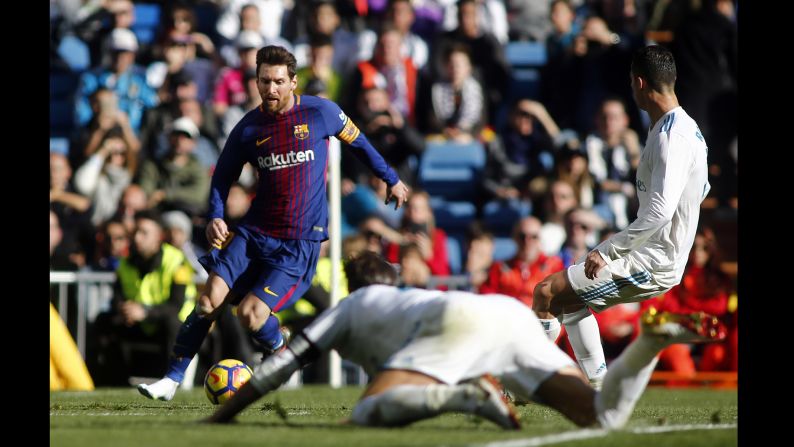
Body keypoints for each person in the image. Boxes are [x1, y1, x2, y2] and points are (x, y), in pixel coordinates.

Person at [139, 45, 409, 401]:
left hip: (298, 241)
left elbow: (359, 143)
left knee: (251, 314)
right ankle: (171, 381)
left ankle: (280, 350)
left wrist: (390, 178)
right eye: (265, 81)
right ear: (256, 81)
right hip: (254, 232)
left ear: (294, 82)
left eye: (279, 81)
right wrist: (216, 216)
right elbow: (222, 176)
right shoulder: (249, 128)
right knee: (209, 301)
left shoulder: (321, 112)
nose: (271, 89)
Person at [202, 251, 725, 429]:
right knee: (604, 418)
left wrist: (221, 417)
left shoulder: (352, 305)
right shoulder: (405, 297)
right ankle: (650, 343)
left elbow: (280, 365)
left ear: (358, 286)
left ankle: (463, 396)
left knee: (364, 414)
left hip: (457, 325)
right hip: (505, 316)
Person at [531, 45, 711, 390]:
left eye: (631, 83)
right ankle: (599, 387)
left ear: (640, 83)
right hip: (651, 251)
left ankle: (527, 384)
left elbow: (659, 212)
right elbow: (700, 189)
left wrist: (608, 250)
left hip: (654, 258)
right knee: (568, 301)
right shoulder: (683, 128)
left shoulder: (671, 137)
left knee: (546, 292)